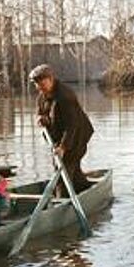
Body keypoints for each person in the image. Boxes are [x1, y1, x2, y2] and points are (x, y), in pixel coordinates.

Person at [29, 64, 94, 197]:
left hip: (77, 137)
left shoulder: (65, 96)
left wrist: (63, 147)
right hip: (59, 138)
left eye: (42, 82)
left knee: (62, 172)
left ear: (51, 79)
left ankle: (60, 201)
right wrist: (43, 120)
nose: (39, 87)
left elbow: (72, 125)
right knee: (73, 173)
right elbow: (44, 115)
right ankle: (87, 191)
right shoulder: (42, 96)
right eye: (36, 84)